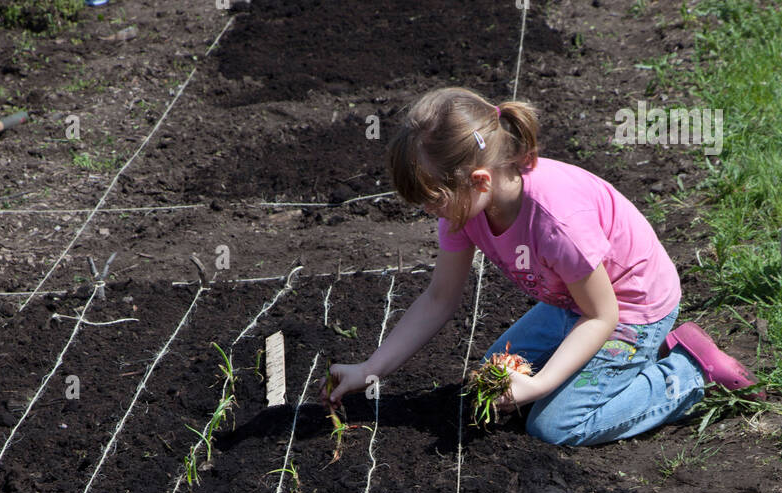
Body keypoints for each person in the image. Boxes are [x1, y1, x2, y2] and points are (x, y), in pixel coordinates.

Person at [323, 86, 760, 447]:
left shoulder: (556, 223)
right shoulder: (465, 209)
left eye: (434, 199)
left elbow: (602, 315)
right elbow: (439, 298)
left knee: (553, 426)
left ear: (480, 180)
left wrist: (540, 385)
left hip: (629, 308)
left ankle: (685, 373)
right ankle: (624, 366)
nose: (430, 212)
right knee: (492, 379)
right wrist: (370, 369)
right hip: (574, 302)